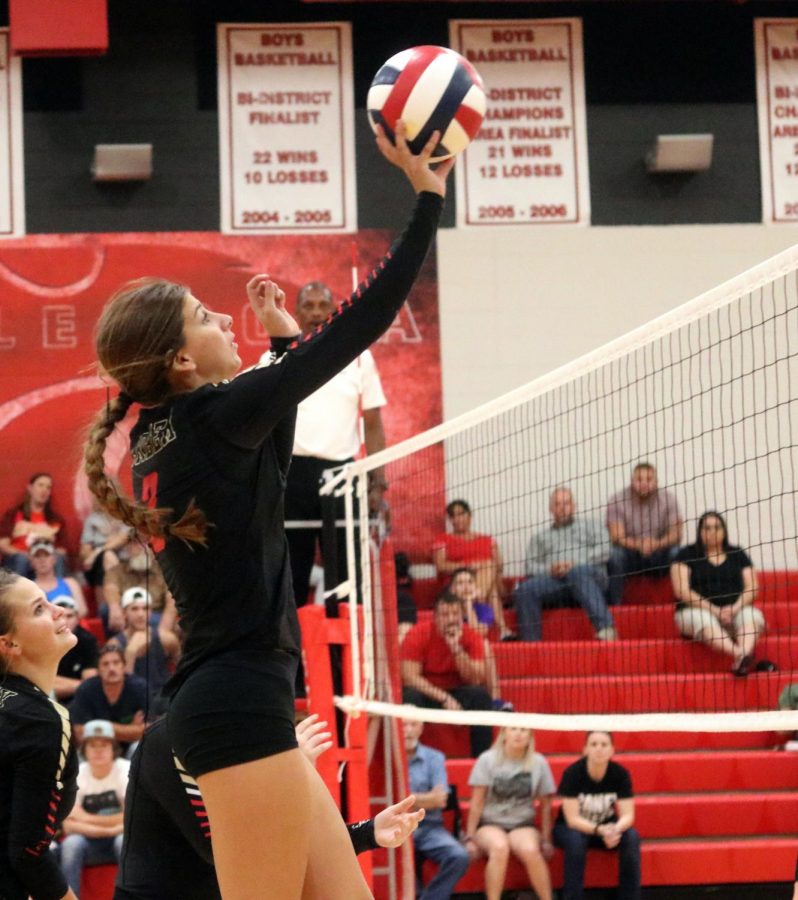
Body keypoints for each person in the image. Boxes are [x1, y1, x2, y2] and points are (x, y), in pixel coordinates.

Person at [82, 121, 451, 899]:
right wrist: (426, 198)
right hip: (236, 701)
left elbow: (270, 468)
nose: (224, 322)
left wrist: (281, 348)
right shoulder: (211, 415)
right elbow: (361, 325)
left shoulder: (159, 433)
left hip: (232, 696)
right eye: (204, 317)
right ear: (181, 360)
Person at [114, 713, 424, 899]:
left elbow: (275, 841)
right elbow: (234, 854)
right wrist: (293, 775)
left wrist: (369, 832)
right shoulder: (168, 741)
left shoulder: (250, 741)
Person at [264, 279, 389, 611]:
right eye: (309, 306)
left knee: (346, 581)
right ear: (296, 312)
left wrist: (378, 481)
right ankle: (292, 664)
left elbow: (373, 424)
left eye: (323, 306)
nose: (316, 313)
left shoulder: (359, 357)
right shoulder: (278, 356)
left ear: (334, 311)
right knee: (290, 578)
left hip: (342, 475)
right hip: (291, 477)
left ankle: (343, 663)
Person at [0, 569, 79, 900]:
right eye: (39, 609)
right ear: (9, 644)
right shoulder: (41, 722)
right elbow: (28, 853)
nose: (58, 610)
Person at [670, 511, 767, 676]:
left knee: (751, 614)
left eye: (717, 527)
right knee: (704, 619)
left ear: (724, 530)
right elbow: (681, 591)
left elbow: (752, 587)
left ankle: (740, 660)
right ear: (700, 531)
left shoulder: (737, 554)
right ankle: (740, 654)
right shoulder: (686, 554)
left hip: (734, 611)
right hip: (695, 612)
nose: (712, 532)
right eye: (707, 528)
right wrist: (715, 610)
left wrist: (735, 608)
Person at [514, 487, 616, 641]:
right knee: (524, 590)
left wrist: (575, 564)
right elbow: (530, 566)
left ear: (574, 506)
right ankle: (531, 647)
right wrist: (550, 569)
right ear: (551, 509)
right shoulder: (539, 537)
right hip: (557, 583)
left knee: (576, 572)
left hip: (590, 578)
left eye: (566, 503)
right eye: (558, 504)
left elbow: (606, 550)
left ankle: (606, 629)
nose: (562, 508)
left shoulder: (592, 525)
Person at [465, 727, 554, 900]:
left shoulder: (539, 762)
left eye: (523, 730)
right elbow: (477, 802)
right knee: (499, 847)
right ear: (504, 733)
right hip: (490, 823)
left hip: (523, 824)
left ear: (530, 737)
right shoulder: (487, 759)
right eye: (513, 729)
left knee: (529, 849)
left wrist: (546, 839)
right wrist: (470, 837)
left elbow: (546, 806)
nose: (518, 734)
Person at [401, 592, 493, 757]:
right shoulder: (417, 633)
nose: (451, 619)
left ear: (462, 616)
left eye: (455, 614)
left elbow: (476, 678)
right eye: (445, 614)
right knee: (409, 697)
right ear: (435, 617)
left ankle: (481, 759)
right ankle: (411, 758)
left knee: (480, 696)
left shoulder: (471, 636)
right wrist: (443, 698)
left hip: (458, 691)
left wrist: (456, 649)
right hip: (427, 692)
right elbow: (409, 677)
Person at [553, 731, 641, 900]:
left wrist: (615, 829)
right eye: (593, 744)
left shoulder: (620, 774)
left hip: (606, 828)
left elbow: (628, 815)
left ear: (612, 750)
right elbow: (572, 819)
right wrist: (600, 830)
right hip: (571, 828)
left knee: (631, 837)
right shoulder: (572, 773)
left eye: (604, 745)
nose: (599, 749)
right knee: (576, 842)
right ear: (585, 749)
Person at [55, 719, 130, 894]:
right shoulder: (77, 774)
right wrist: (114, 827)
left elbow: (131, 818)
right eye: (92, 746)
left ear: (113, 749)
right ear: (84, 750)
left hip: (118, 839)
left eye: (104, 745)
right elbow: (69, 825)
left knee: (124, 841)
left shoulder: (126, 770)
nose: (98, 751)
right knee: (71, 845)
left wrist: (86, 818)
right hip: (88, 843)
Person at [403, 717, 470, 900]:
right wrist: (427, 798)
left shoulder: (435, 757)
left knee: (459, 856)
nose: (408, 730)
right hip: (398, 826)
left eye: (413, 724)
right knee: (399, 859)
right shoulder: (387, 756)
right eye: (403, 725)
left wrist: (407, 799)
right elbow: (391, 801)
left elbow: (440, 800)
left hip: (429, 826)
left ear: (421, 728)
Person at [432, 500, 514, 640]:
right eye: (453, 516)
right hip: (456, 585)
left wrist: (481, 570)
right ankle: (502, 628)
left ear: (470, 515)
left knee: (489, 567)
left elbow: (499, 565)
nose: (457, 519)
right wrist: (468, 567)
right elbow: (441, 565)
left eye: (461, 514)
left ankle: (477, 595)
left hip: (487, 579)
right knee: (491, 585)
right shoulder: (443, 539)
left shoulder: (487, 540)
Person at [606, 462, 682, 605]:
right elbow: (616, 536)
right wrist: (639, 544)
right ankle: (615, 607)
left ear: (656, 481)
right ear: (632, 481)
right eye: (639, 479)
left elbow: (676, 533)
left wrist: (656, 543)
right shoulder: (617, 500)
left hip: (659, 552)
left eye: (649, 479)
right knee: (614, 554)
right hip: (631, 554)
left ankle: (680, 605)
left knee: (677, 552)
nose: (644, 484)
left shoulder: (668, 499)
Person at [447, 569, 512, 711]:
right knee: (485, 645)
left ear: (476, 587)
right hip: (452, 651)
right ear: (452, 590)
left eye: (469, 582)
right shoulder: (448, 611)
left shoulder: (485, 609)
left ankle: (495, 700)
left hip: (474, 653)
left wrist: (469, 604)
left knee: (485, 645)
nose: (465, 587)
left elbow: (476, 634)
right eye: (460, 583)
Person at [69, 645, 147, 753]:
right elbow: (80, 734)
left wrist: (97, 727)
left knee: (142, 746)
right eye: (105, 664)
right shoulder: (86, 689)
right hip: (95, 748)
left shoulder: (139, 687)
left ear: (124, 666)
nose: (111, 668)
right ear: (98, 670)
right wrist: (129, 729)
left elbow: (146, 730)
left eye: (116, 663)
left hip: (129, 748)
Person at [109, 586, 180, 705]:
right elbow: (119, 684)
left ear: (151, 612)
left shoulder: (166, 638)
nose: (140, 614)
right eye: (134, 609)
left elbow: (181, 666)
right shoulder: (115, 644)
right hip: (133, 700)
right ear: (124, 613)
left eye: (145, 608)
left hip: (164, 698)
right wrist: (130, 652)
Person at [0, 473, 68, 577]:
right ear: (30, 488)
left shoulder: (56, 519)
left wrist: (44, 557)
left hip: (45, 560)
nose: (44, 490)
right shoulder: (13, 514)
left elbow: (62, 550)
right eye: (40, 485)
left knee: (58, 558)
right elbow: (3, 545)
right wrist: (26, 556)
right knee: (21, 560)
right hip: (19, 559)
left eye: (48, 487)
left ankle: (57, 592)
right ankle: (19, 592)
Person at [103, 540, 170, 637]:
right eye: (136, 544)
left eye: (147, 544)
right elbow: (110, 588)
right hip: (125, 614)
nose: (142, 548)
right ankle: (116, 645)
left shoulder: (163, 571)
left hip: (155, 613)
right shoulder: (117, 570)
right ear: (128, 548)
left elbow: (171, 598)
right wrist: (115, 607)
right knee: (105, 610)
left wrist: (165, 626)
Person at [80, 495, 132, 611]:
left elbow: (124, 538)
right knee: (107, 557)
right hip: (97, 566)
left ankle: (110, 608)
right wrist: (93, 554)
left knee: (108, 555)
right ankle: (107, 608)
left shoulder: (124, 517)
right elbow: (85, 550)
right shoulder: (92, 520)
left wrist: (98, 551)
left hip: (124, 561)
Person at [53, 596, 99, 703]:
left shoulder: (88, 640)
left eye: (69, 616)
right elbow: (41, 685)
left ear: (78, 619)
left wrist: (57, 683)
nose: (65, 621)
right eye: (60, 616)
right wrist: (82, 685)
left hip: (80, 700)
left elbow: (91, 683)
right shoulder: (42, 640)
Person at [30, 540, 88, 618]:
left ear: (54, 559)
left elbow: (82, 611)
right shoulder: (29, 588)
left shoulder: (70, 583)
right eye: (37, 556)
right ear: (31, 561)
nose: (42, 560)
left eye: (46, 555)